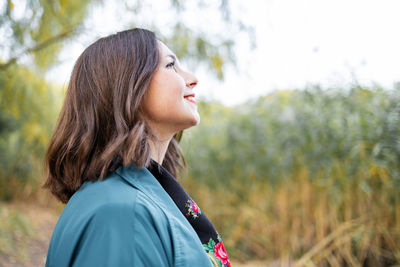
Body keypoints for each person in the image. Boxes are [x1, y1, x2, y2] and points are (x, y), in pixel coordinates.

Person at [43, 28, 231, 267]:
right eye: (171, 65)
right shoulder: (123, 215)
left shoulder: (128, 200)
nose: (192, 78)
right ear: (128, 85)